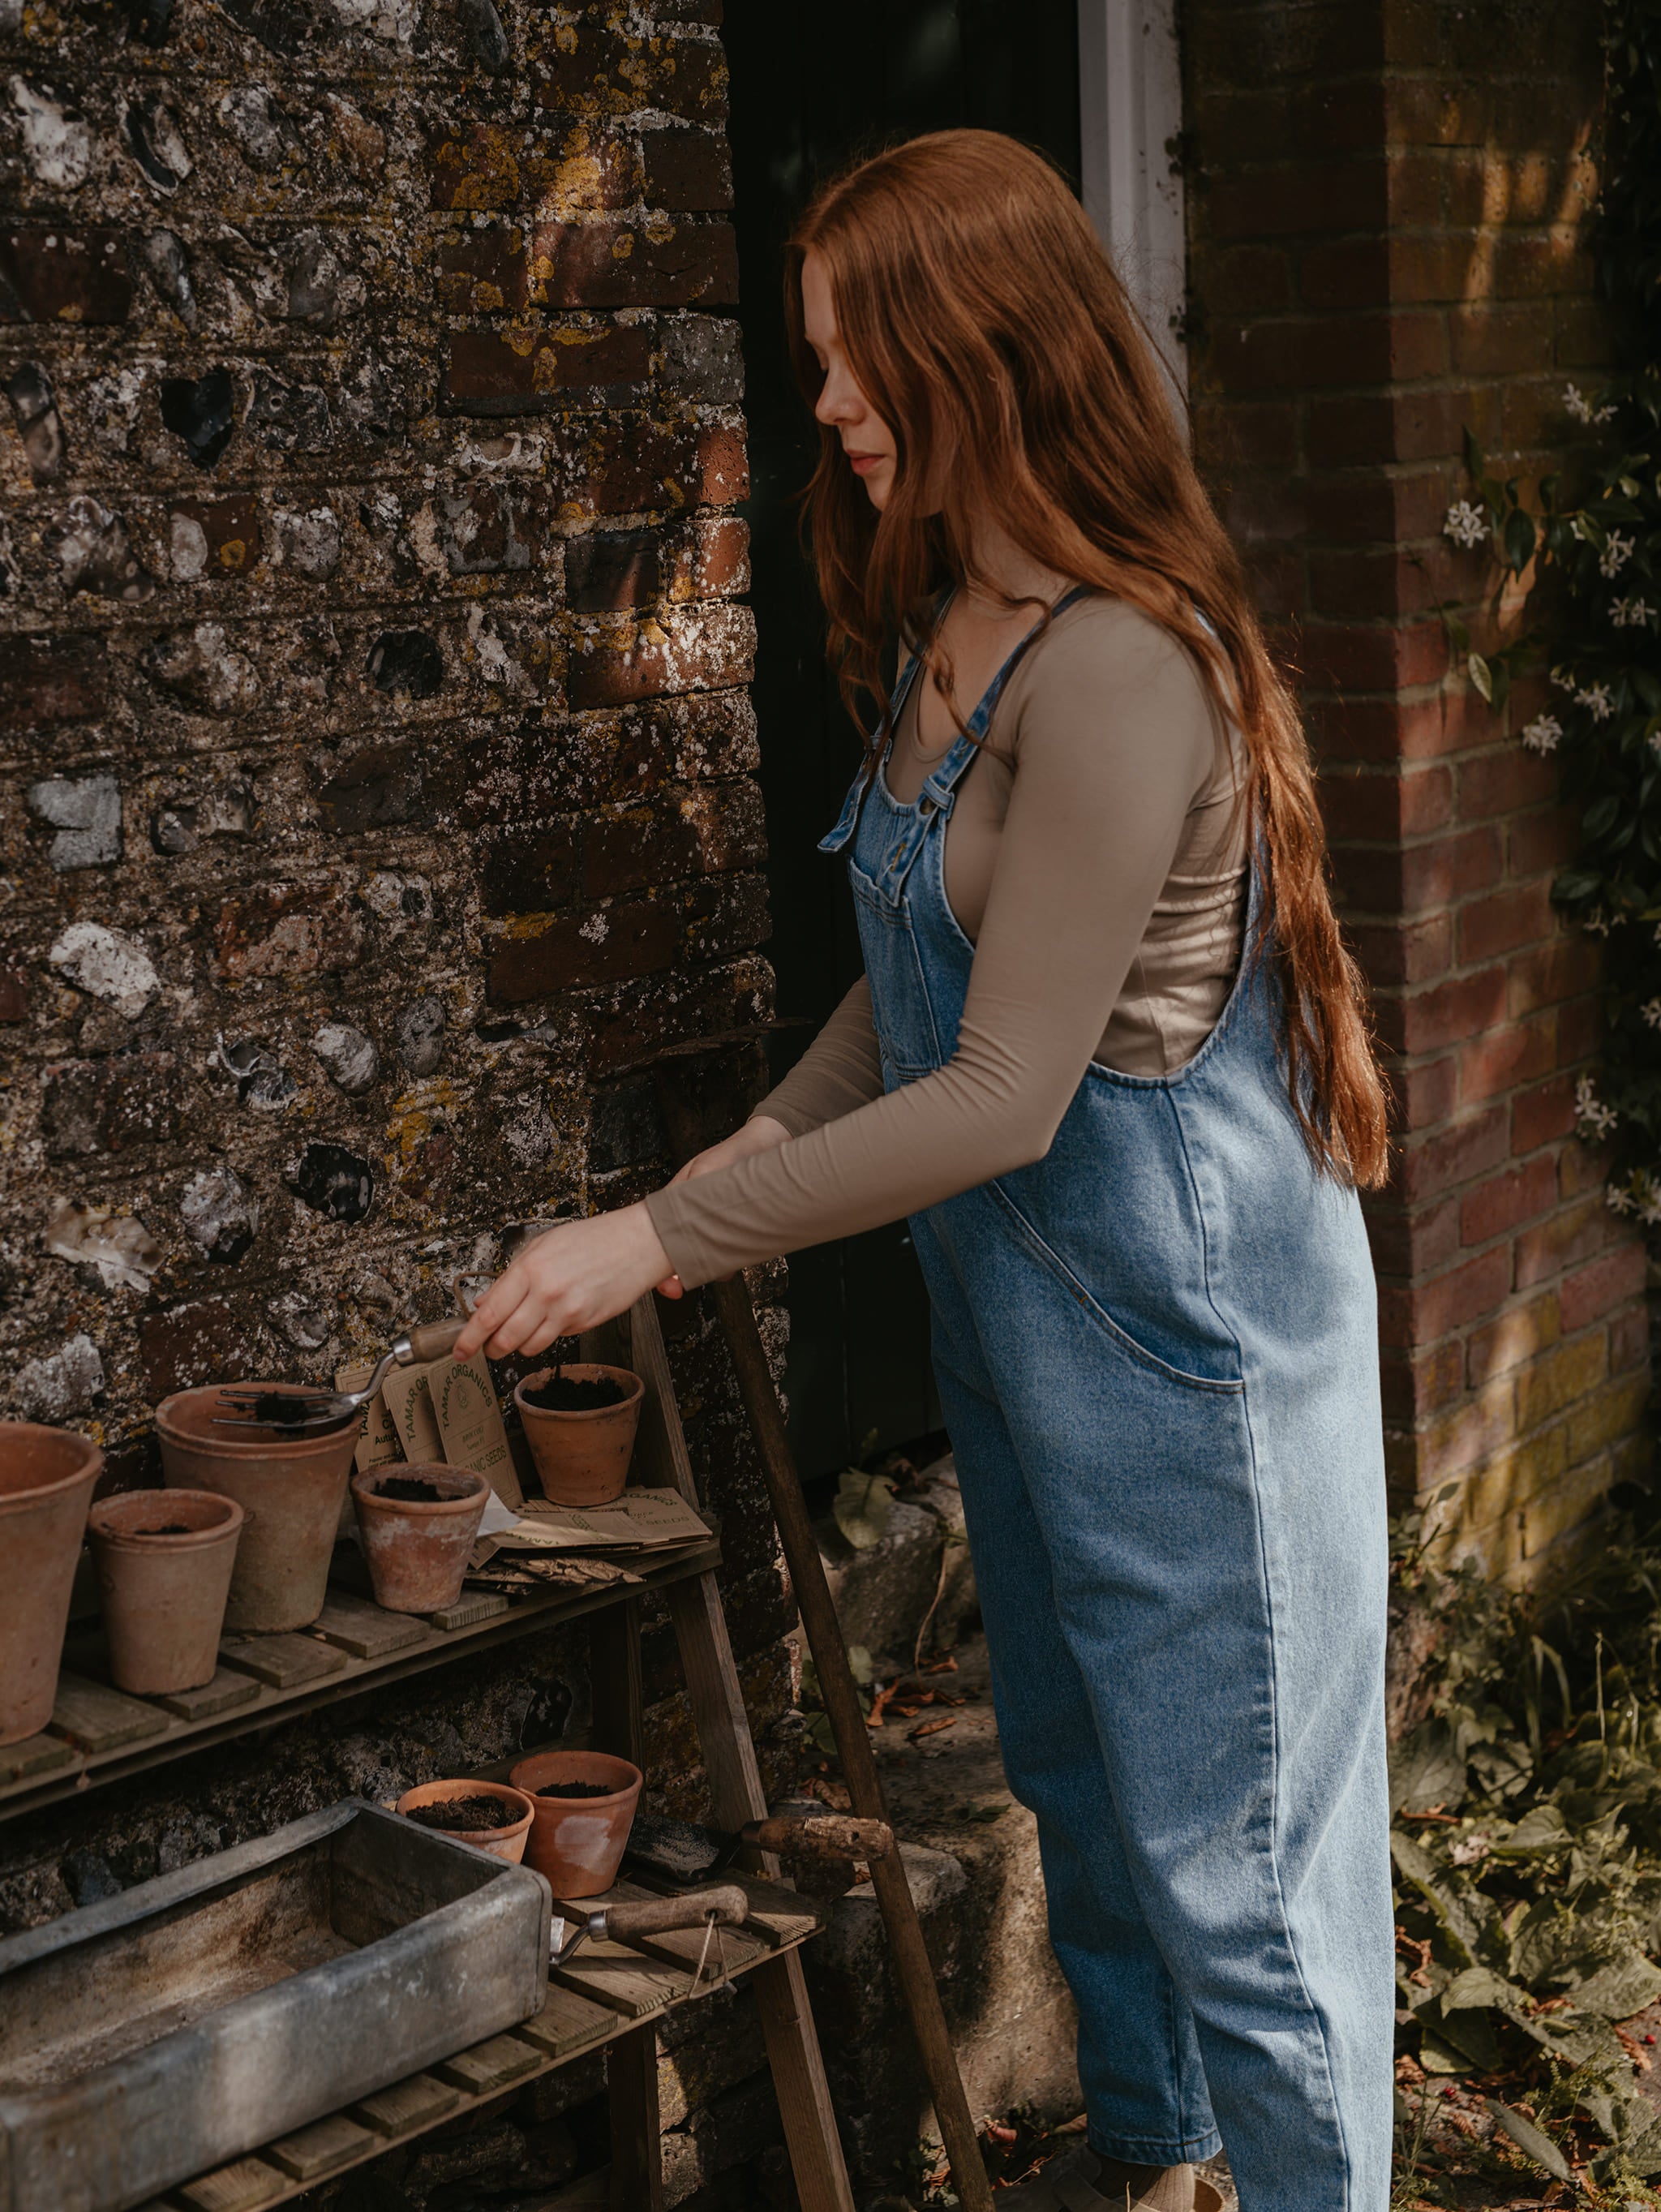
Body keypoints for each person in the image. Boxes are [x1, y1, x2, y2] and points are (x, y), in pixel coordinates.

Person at [455, 129, 1394, 2212]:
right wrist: (758, 1144)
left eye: (855, 360)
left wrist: (660, 1231)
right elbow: (917, 985)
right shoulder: (960, 609)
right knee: (1077, 1778)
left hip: (1185, 1340)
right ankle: (1170, 2167)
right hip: (1034, 1323)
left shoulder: (1127, 663)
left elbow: (1005, 1090)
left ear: (981, 351)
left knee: (1240, 1878)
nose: (828, 405)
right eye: (818, 364)